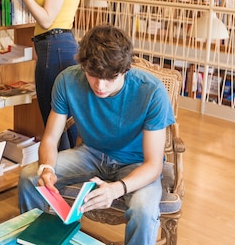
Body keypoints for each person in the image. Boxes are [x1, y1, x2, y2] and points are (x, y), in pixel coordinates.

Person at [17, 25, 176, 245]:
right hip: (91, 153)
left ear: (126, 69)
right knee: (29, 177)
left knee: (144, 209)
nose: (100, 86)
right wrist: (46, 168)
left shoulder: (151, 91)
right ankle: (38, 240)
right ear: (83, 65)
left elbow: (153, 164)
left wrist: (117, 188)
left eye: (110, 78)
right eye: (92, 75)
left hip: (136, 163)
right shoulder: (67, 80)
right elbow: (51, 139)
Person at [0, 0, 94, 149]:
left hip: (54, 48)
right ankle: (68, 175)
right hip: (62, 45)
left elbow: (47, 19)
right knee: (64, 121)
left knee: (54, 122)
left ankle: (59, 176)